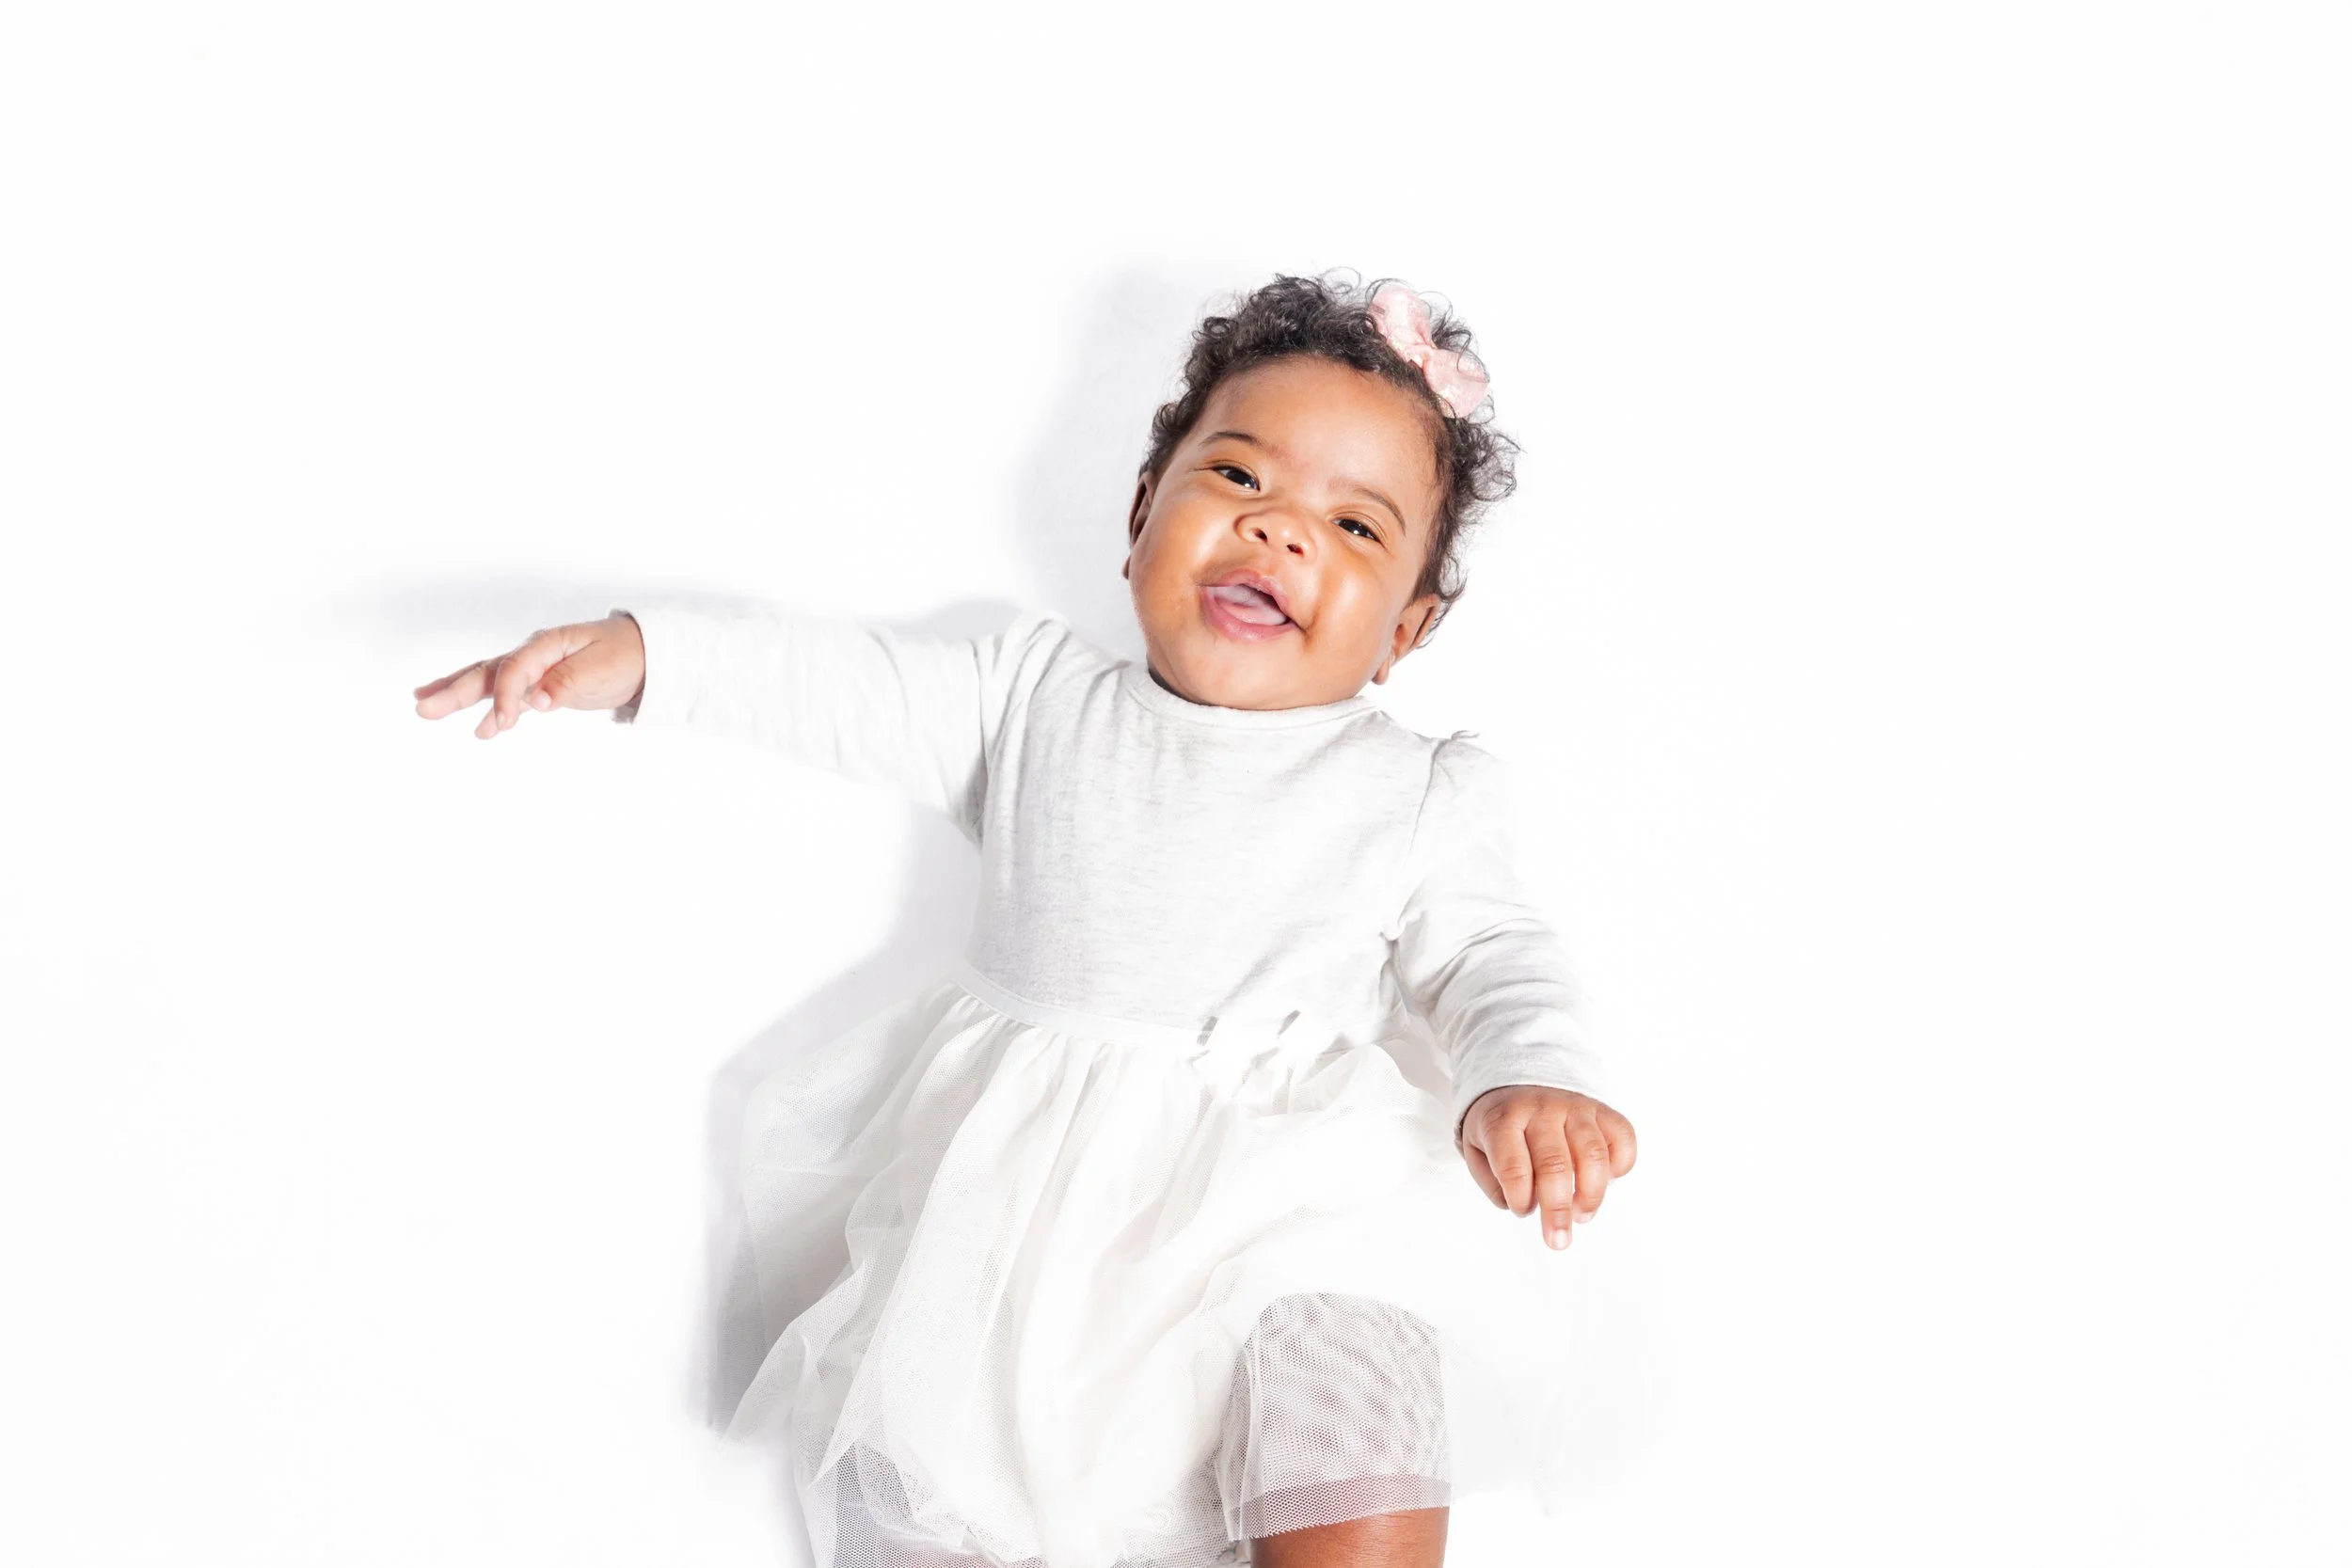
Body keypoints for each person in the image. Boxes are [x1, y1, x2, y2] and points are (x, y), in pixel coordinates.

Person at [412, 272, 1639, 1568]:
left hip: (1294, 1204)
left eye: (1352, 525)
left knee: (1354, 1365)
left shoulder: (1409, 788)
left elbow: (1493, 953)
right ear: (1137, 515)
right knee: (933, 1446)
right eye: (1237, 480)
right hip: (1018, 1233)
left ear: (1408, 628)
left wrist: (1533, 1073)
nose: (1281, 533)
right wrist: (647, 656)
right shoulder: (1033, 697)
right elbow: (841, 688)